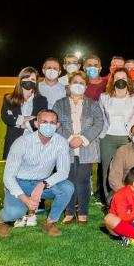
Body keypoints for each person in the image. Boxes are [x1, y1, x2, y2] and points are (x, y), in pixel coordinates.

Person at [0, 109, 73, 237]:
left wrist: (42, 184)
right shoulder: (22, 142)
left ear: (57, 125)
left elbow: (63, 172)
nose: (49, 126)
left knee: (67, 187)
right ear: (36, 124)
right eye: (44, 122)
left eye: (52, 123)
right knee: (15, 213)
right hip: (19, 183)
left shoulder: (61, 142)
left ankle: (50, 222)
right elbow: (8, 177)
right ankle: (0, 220)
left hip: (41, 183)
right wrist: (25, 199)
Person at [53, 71, 106, 224]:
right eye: (75, 82)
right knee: (68, 180)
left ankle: (82, 211)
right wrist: (70, 138)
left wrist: (83, 138)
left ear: (85, 86)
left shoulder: (93, 104)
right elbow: (56, 123)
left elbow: (99, 123)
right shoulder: (59, 103)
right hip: (66, 147)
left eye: (81, 83)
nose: (78, 85)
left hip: (86, 148)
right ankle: (69, 211)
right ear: (69, 85)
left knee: (82, 181)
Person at [99, 69, 134, 201]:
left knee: (128, 169)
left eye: (124, 78)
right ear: (112, 80)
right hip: (108, 138)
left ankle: (129, 198)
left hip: (127, 138)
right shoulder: (104, 97)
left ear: (128, 80)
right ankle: (109, 200)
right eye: (117, 77)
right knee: (107, 170)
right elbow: (101, 118)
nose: (120, 80)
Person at [0, 67, 47, 160]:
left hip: (34, 144)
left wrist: (20, 124)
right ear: (20, 79)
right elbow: (6, 118)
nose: (29, 81)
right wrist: (26, 118)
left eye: (33, 79)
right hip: (14, 143)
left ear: (36, 83)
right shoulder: (8, 98)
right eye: (26, 78)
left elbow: (41, 121)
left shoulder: (42, 100)